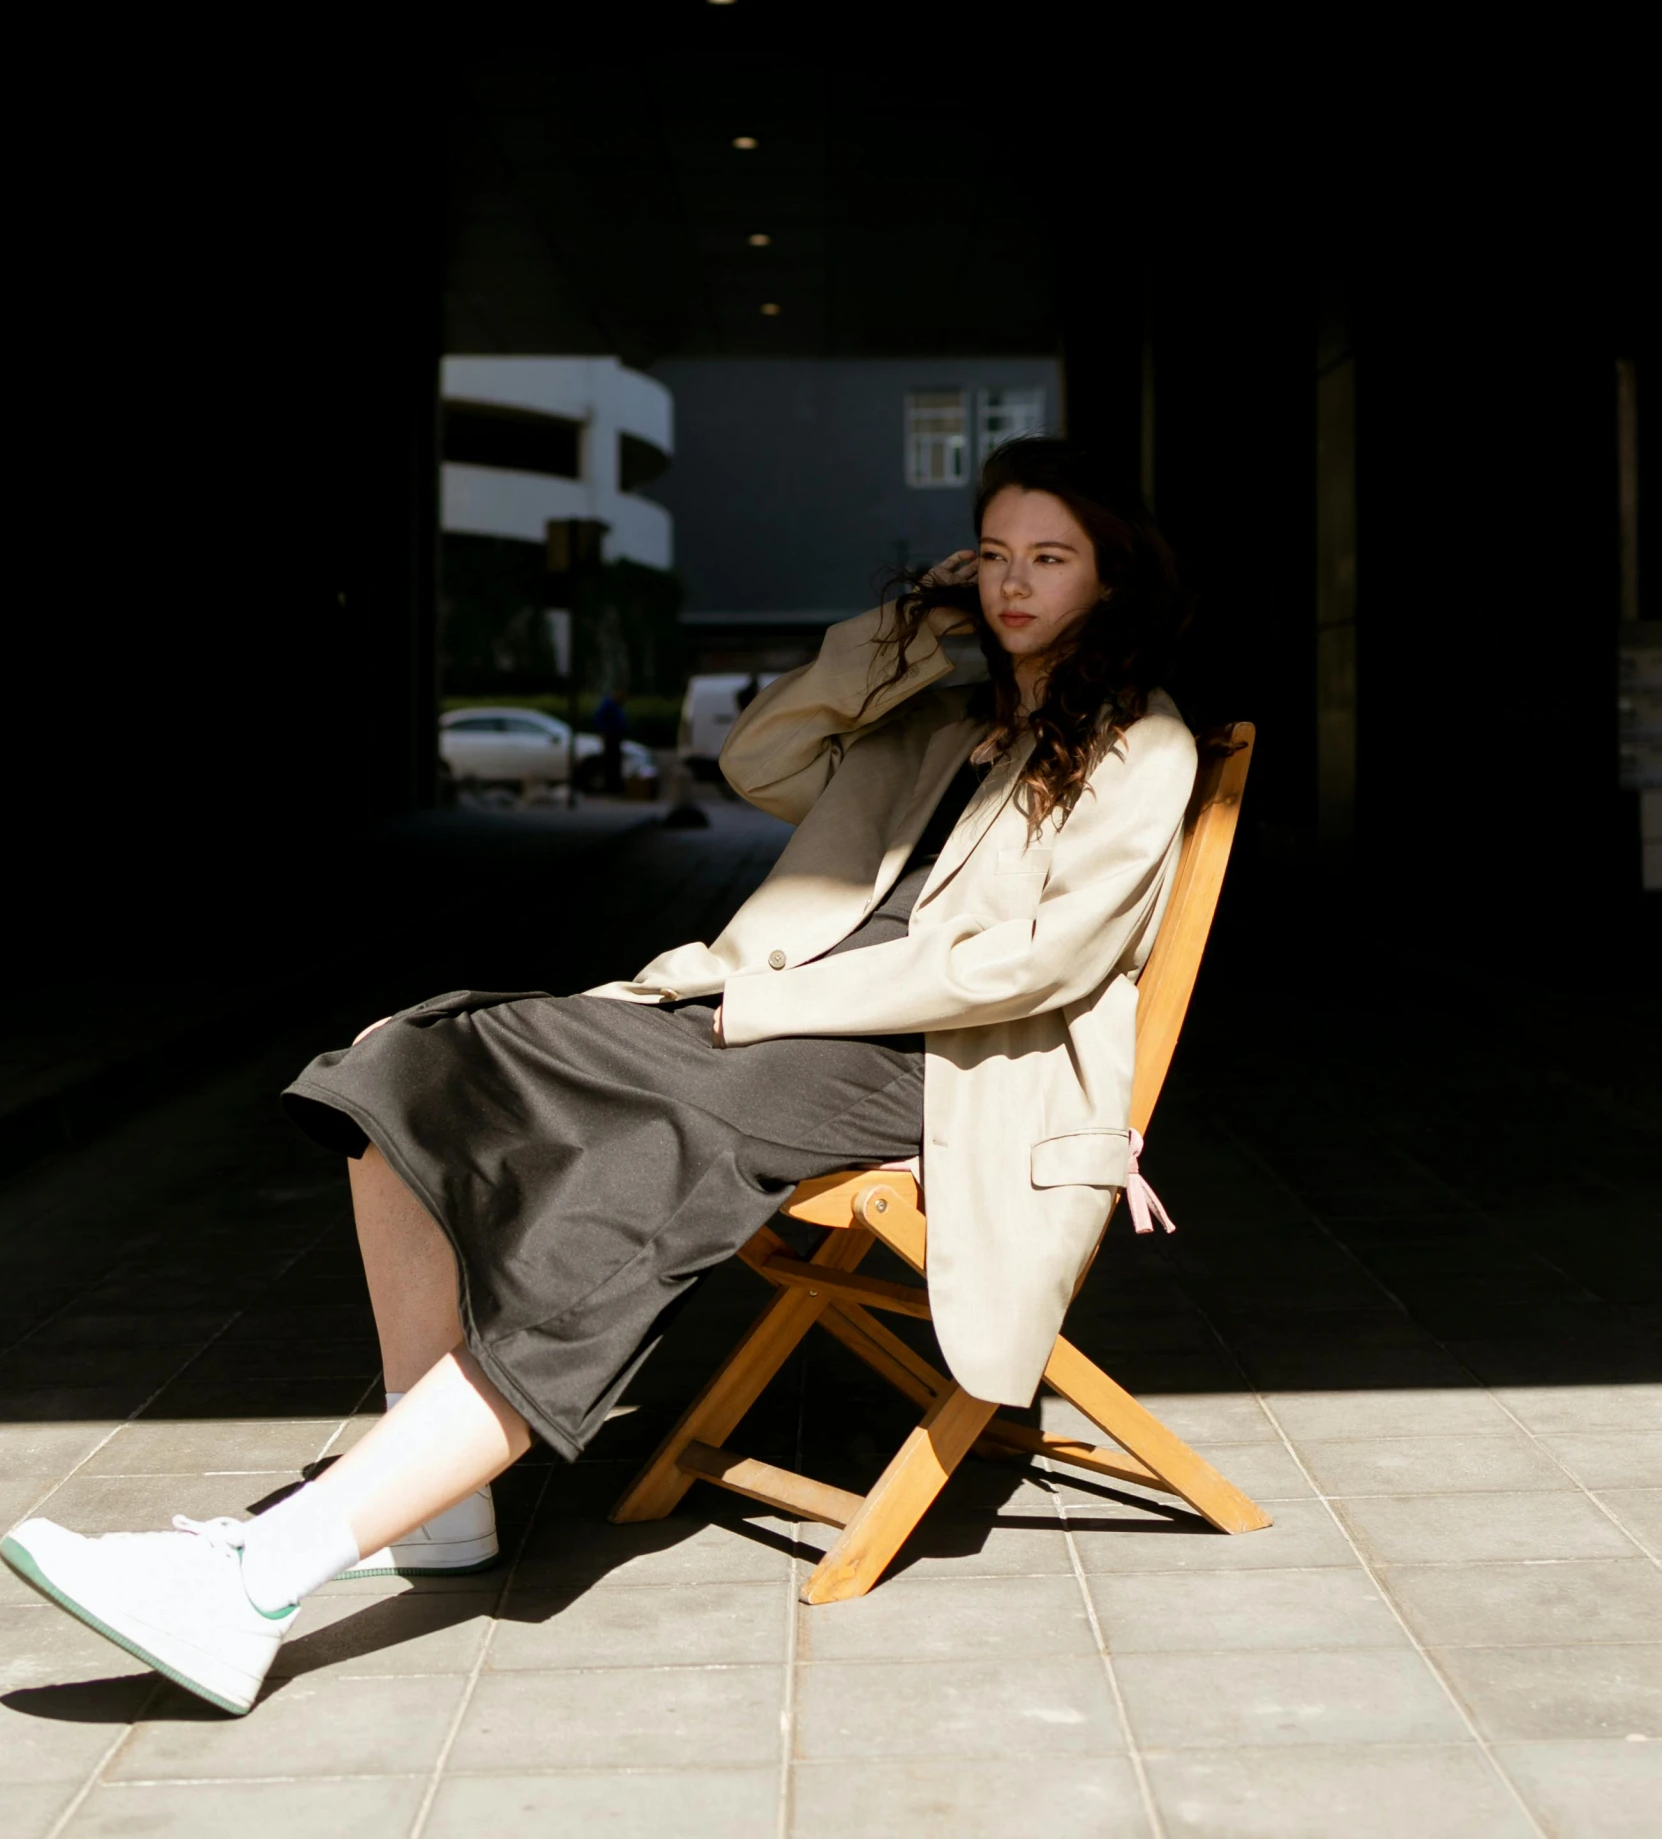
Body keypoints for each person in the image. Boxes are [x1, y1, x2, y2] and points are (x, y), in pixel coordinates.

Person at [2, 438, 1198, 1715]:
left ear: (1112, 580)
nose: (1015, 585)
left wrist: (767, 1007)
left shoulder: (1145, 746)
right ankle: (443, 1496)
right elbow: (762, 760)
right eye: (996, 556)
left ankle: (262, 1571)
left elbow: (1030, 965)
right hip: (765, 1018)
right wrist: (901, 623)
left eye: (1050, 560)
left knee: (636, 1174)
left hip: (930, 1072)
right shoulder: (939, 723)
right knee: (408, 1059)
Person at [593, 686, 628, 795]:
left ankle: (614, 785)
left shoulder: (615, 705)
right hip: (611, 736)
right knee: (611, 761)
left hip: (615, 736)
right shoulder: (609, 704)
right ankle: (611, 786)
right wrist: (604, 731)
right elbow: (599, 717)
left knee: (614, 761)